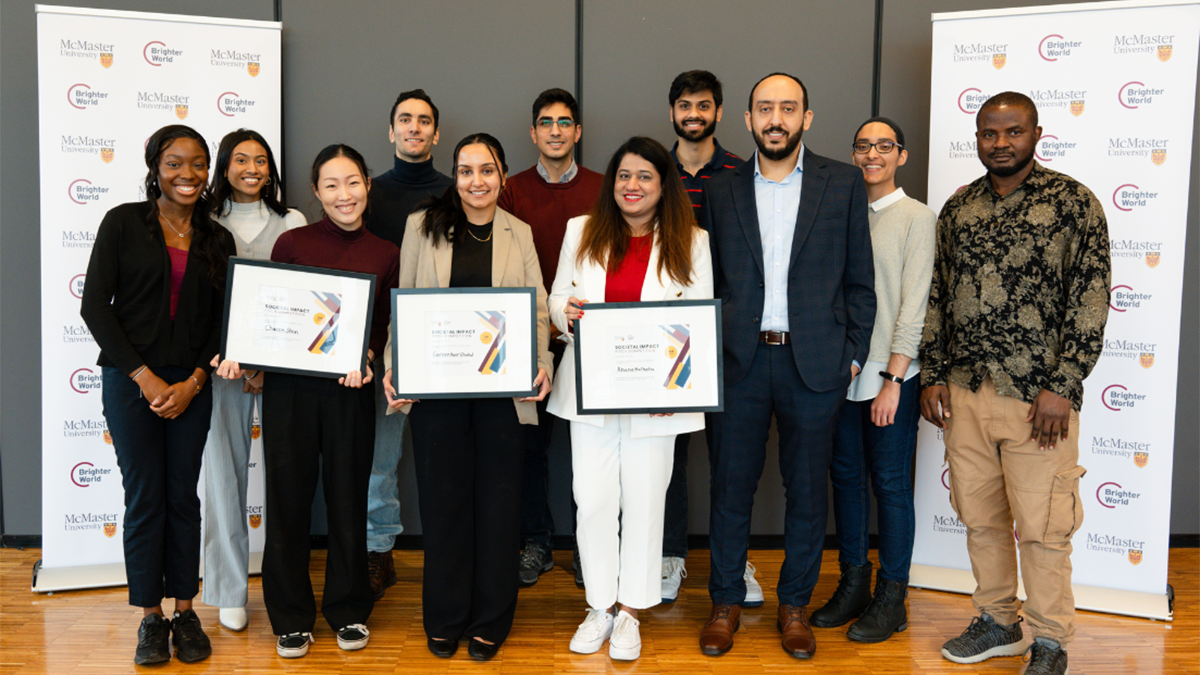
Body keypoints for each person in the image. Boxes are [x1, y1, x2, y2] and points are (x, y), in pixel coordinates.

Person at [920, 92, 1110, 675]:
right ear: (977, 138)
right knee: (980, 518)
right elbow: (938, 295)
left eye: (1012, 132)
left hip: (1038, 400)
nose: (1000, 143)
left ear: (1036, 134)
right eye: (989, 133)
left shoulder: (1073, 203)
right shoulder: (959, 210)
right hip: (966, 394)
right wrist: (932, 372)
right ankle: (999, 622)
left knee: (1044, 527)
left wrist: (1065, 382)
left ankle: (1050, 642)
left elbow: (1091, 297)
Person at [699, 72, 875, 660]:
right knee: (729, 490)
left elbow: (860, 282)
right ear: (746, 120)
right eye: (765, 108)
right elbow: (707, 281)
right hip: (738, 363)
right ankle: (724, 603)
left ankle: (793, 606)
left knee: (806, 494)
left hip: (816, 364)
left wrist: (851, 356)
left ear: (807, 118)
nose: (776, 118)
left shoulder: (844, 182)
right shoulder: (721, 191)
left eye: (788, 108)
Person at [215, 144, 399, 659]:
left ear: (367, 184)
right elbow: (272, 317)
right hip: (290, 394)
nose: (345, 195)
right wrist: (243, 354)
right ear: (316, 192)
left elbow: (383, 328)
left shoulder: (386, 251)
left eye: (353, 182)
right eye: (332, 185)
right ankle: (291, 617)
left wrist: (368, 353)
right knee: (288, 504)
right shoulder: (292, 242)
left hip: (349, 392)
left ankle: (348, 611)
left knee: (347, 502)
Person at [382, 133, 552, 662]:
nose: (476, 181)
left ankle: (490, 619)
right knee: (444, 506)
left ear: (502, 176)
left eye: (486, 170)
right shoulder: (421, 225)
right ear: (454, 176)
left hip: (503, 394)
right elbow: (403, 303)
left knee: (499, 508)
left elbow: (539, 310)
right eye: (465, 170)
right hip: (438, 393)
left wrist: (542, 364)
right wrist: (394, 367)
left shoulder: (518, 232)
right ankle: (446, 616)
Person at [547, 136, 713, 662]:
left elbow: (699, 320)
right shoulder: (581, 231)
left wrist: (678, 387)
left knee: (645, 504)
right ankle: (599, 604)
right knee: (592, 500)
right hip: (589, 393)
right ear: (611, 183)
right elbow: (556, 297)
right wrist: (564, 314)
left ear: (662, 185)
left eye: (644, 176)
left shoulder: (693, 239)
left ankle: (631, 613)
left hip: (656, 400)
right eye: (623, 176)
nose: (632, 186)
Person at [80, 124, 234, 665]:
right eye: (174, 163)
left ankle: (186, 612)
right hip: (130, 384)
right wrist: (145, 378)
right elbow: (95, 307)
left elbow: (222, 323)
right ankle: (150, 618)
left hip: (192, 384)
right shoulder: (123, 223)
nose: (187, 174)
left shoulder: (218, 238)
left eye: (197, 164)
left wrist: (194, 382)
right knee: (145, 499)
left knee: (181, 498)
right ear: (155, 167)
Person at [809, 117, 935, 642]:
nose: (872, 155)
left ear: (901, 156)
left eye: (884, 146)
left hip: (889, 376)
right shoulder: (839, 213)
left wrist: (894, 379)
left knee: (889, 485)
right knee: (846, 481)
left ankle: (892, 597)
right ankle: (854, 583)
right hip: (841, 374)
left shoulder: (915, 217)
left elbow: (915, 302)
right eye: (863, 146)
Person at [200, 128, 306, 634]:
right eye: (240, 159)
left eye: (261, 160)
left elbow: (306, 298)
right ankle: (228, 589)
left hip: (283, 372)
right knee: (223, 480)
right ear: (224, 167)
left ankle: (287, 590)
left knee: (288, 478)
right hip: (221, 370)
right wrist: (224, 357)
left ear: (271, 170)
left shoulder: (293, 222)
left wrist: (267, 364)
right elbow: (198, 304)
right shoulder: (202, 222)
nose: (251, 168)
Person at [498, 87, 602, 588]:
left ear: (577, 131)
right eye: (546, 122)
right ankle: (536, 542)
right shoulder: (509, 190)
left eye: (565, 122)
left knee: (592, 451)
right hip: (529, 339)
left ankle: (590, 545)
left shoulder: (607, 188)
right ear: (533, 132)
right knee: (528, 450)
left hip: (591, 341)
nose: (556, 130)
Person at [660, 69, 756, 605]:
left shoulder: (743, 173)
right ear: (672, 111)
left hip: (728, 340)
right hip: (667, 338)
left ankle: (733, 565)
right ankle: (671, 558)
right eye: (683, 105)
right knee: (668, 458)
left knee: (730, 462)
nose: (693, 114)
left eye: (703, 105)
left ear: (719, 112)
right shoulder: (654, 171)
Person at [363, 89, 453, 601]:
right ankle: (378, 553)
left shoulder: (456, 190)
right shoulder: (367, 192)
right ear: (391, 131)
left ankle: (454, 552)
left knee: (446, 456)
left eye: (424, 121)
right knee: (381, 457)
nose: (414, 128)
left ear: (436, 133)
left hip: (444, 345)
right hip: (381, 348)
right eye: (405, 120)